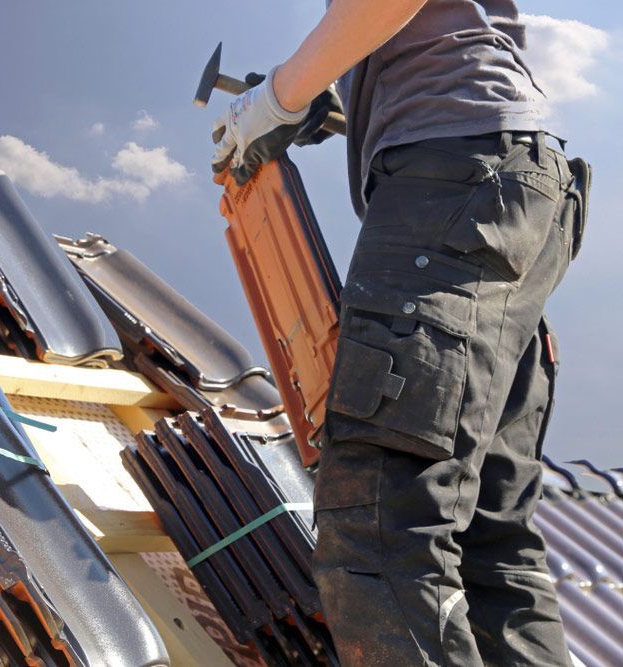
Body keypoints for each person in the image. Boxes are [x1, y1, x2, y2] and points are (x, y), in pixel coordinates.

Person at [210, 1, 590, 665]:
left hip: (455, 187)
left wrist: (277, 97)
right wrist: (331, 97)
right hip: (513, 189)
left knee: (380, 520)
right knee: (487, 541)